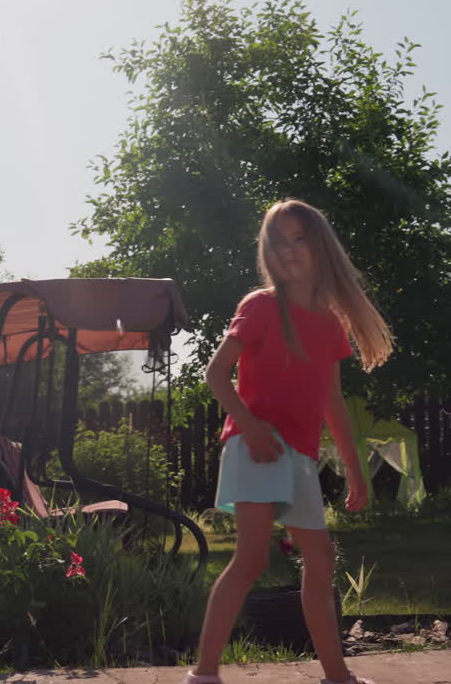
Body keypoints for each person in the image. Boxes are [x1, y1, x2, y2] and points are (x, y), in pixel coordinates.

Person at [183, 199, 394, 684]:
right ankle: (204, 674)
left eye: (300, 238)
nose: (290, 249)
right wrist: (252, 428)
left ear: (321, 246)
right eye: (279, 241)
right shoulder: (259, 307)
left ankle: (337, 675)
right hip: (255, 446)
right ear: (267, 250)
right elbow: (217, 376)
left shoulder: (330, 320)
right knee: (252, 557)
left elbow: (332, 401)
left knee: (320, 562)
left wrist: (355, 469)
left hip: (296, 455)